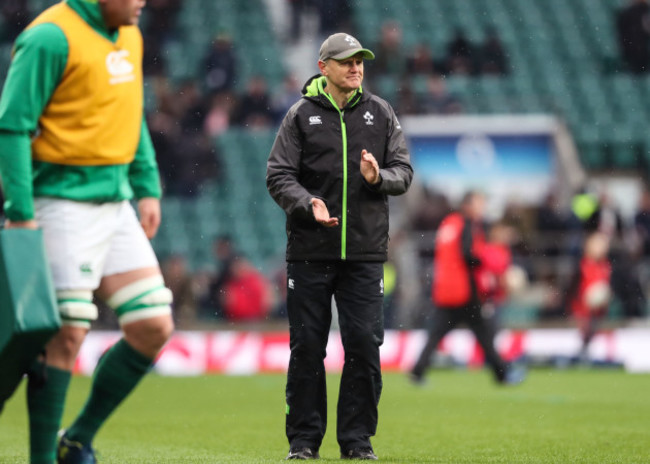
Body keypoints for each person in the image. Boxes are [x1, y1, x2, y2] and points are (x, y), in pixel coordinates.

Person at [0, 1, 175, 463]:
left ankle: (75, 439)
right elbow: (12, 126)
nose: (143, 1)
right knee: (67, 334)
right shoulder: (49, 38)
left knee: (153, 324)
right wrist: (20, 210)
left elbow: (129, 112)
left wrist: (147, 185)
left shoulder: (129, 33)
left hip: (114, 201)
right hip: (59, 200)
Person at [267, 32, 413, 461]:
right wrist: (304, 202)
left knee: (365, 345)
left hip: (365, 255)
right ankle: (304, 442)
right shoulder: (299, 116)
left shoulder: (381, 113)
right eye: (346, 61)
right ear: (323, 66)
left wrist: (377, 179)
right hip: (311, 252)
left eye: (360, 61)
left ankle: (356, 441)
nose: (356, 67)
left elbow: (402, 171)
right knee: (308, 346)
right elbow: (278, 175)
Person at [409, 192, 524, 385]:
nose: (482, 208)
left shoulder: (449, 223)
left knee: (437, 333)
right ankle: (502, 374)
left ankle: (417, 371)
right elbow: (468, 255)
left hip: (446, 289)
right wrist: (490, 263)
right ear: (468, 205)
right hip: (464, 291)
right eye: (480, 203)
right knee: (484, 333)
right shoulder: (467, 224)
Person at [564, 232, 612, 362]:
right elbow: (571, 290)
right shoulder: (580, 265)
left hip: (599, 313)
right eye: (596, 245)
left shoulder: (606, 266)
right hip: (581, 313)